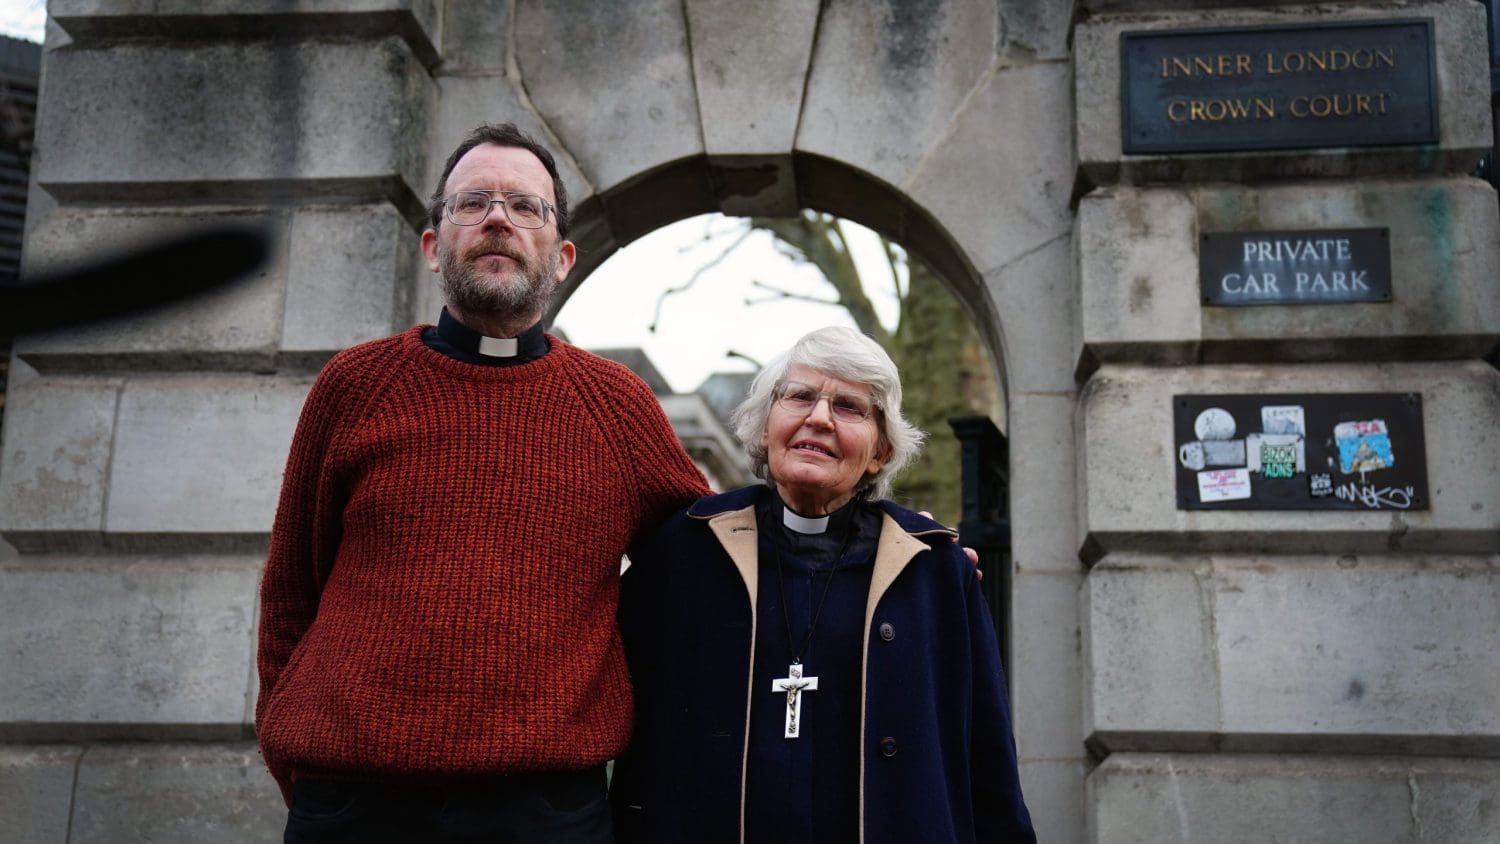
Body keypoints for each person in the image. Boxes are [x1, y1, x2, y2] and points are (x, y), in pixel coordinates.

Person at [255, 123, 712, 842]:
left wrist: (897, 555)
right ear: (434, 246)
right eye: (472, 203)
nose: (498, 217)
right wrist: (295, 756)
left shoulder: (616, 406)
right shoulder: (356, 386)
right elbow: (291, 590)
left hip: (544, 813)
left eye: (526, 206)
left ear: (561, 258)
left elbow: (723, 555)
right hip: (354, 807)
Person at [611, 325, 1035, 843]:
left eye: (850, 407)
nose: (819, 418)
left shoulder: (934, 570)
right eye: (800, 396)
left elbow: (987, 756)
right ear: (765, 427)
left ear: (879, 451)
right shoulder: (685, 550)